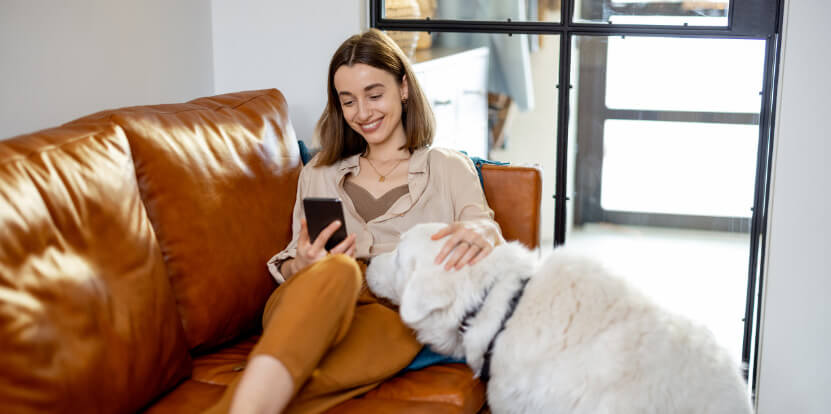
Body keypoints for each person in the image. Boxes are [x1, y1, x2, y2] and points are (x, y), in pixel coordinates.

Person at [207, 28, 503, 414]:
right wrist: (305, 265)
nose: (362, 113)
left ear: (403, 88)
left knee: (388, 326)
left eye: (374, 95)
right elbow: (294, 257)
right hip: (310, 297)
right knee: (340, 272)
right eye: (348, 102)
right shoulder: (320, 172)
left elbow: (487, 229)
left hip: (388, 313)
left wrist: (479, 230)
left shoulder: (447, 167)